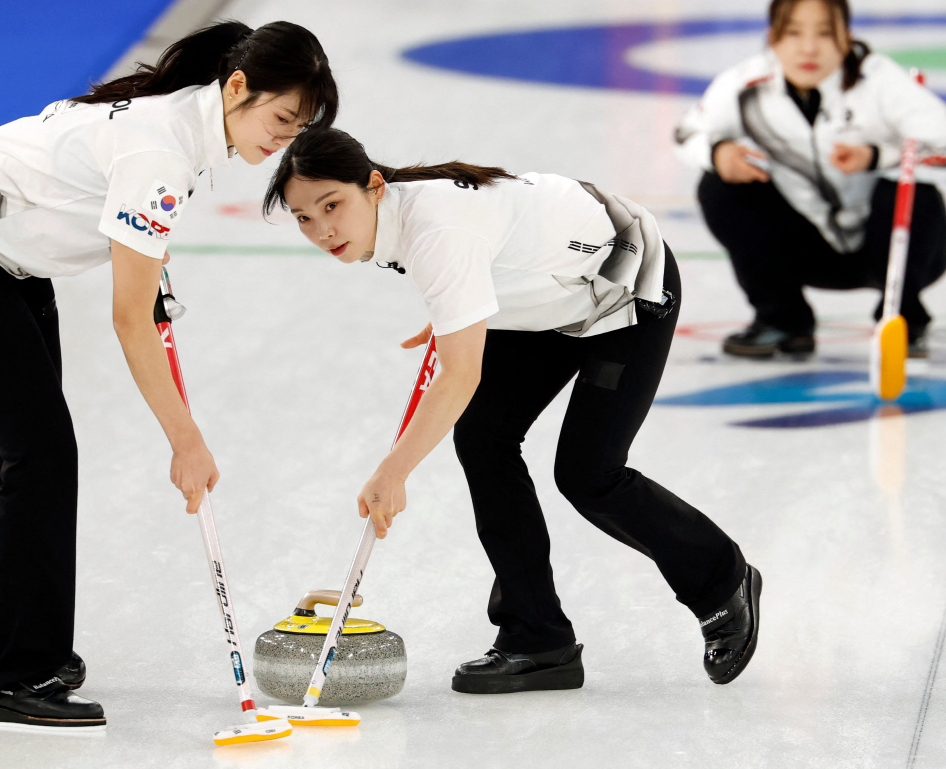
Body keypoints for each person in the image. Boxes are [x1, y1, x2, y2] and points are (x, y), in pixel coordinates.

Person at [0, 20, 337, 731]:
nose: (282, 140)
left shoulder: (185, 128)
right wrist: (185, 439)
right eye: (281, 118)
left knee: (30, 444)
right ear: (236, 88)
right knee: (38, 449)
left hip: (12, 258)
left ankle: (4, 616)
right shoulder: (161, 148)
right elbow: (130, 320)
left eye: (299, 128)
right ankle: (18, 672)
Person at [265, 128, 760, 693]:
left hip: (625, 287)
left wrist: (393, 471)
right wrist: (461, 308)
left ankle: (723, 581)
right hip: (549, 295)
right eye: (304, 217)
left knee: (588, 473)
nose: (324, 229)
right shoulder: (406, 216)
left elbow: (459, 374)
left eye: (333, 205)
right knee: (483, 436)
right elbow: (490, 249)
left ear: (374, 187)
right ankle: (537, 638)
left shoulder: (435, 228)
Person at [674, 0, 946, 358]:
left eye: (824, 32)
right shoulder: (747, 86)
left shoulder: (881, 80)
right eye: (793, 33)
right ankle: (783, 320)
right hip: (805, 248)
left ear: (846, 36)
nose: (808, 48)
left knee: (911, 190)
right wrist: (717, 153)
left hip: (890, 249)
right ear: (773, 38)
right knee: (719, 186)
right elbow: (686, 133)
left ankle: (904, 317)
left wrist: (877, 156)